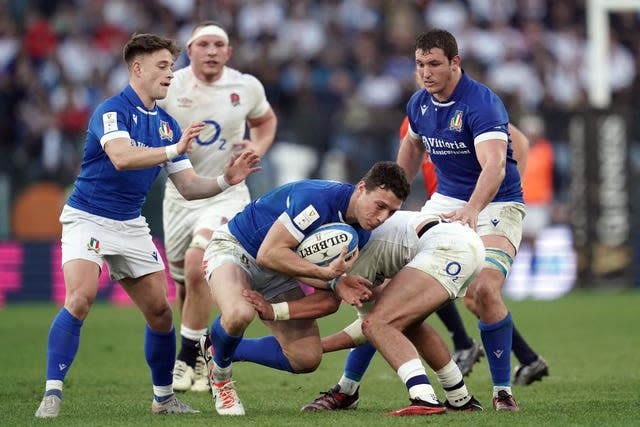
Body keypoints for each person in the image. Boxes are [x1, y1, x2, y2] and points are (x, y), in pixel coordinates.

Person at [34, 33, 261, 418]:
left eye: (171, 67)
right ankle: (52, 393)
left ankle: (164, 399)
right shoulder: (111, 110)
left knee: (160, 311)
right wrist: (173, 150)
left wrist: (226, 180)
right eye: (162, 66)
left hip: (130, 224)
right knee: (81, 297)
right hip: (87, 217)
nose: (171, 74)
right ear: (137, 68)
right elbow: (121, 157)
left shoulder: (169, 125)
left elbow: (189, 187)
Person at [198, 161, 410, 416]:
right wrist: (328, 276)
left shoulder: (360, 233)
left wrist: (336, 284)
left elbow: (328, 302)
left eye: (391, 212)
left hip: (280, 270)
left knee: (306, 358)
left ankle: (217, 345)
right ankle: (221, 378)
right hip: (237, 249)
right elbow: (268, 254)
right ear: (362, 187)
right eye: (380, 206)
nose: (382, 218)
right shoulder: (317, 200)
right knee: (239, 314)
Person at [240, 210, 486, 415]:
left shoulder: (351, 254)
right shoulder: (359, 238)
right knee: (407, 323)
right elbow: (366, 327)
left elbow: (331, 305)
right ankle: (459, 398)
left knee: (380, 324)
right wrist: (319, 345)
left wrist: (275, 311)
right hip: (459, 243)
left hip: (447, 248)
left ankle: (424, 398)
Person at [394, 28, 525, 411]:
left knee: (483, 291)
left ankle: (502, 391)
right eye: (420, 65)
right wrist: (389, 200)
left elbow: (495, 167)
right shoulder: (418, 103)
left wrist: (471, 210)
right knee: (389, 283)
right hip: (444, 201)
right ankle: (347, 386)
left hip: (498, 204)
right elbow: (412, 148)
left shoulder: (481, 103)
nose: (426, 72)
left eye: (434, 64)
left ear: (455, 62)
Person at [157, 21, 277, 393]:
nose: (211, 51)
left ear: (228, 52)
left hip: (227, 194)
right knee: (185, 284)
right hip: (180, 196)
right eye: (203, 44)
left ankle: (184, 358)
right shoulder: (170, 85)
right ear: (189, 51)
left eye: (219, 45)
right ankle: (197, 354)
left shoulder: (246, 86)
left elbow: (265, 120)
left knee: (198, 265)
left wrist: (259, 146)